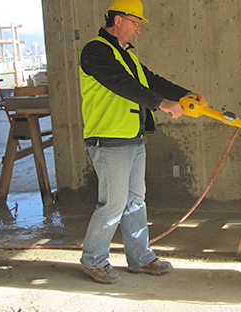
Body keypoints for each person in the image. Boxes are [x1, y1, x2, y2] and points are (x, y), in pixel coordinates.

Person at [78, 0, 196, 284]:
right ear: (118, 20)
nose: (138, 30)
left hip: (132, 138)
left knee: (134, 202)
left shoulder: (124, 55)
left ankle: (141, 258)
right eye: (136, 23)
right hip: (108, 139)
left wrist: (184, 95)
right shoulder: (96, 51)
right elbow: (122, 84)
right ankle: (93, 260)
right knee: (114, 204)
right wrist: (161, 104)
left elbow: (150, 80)